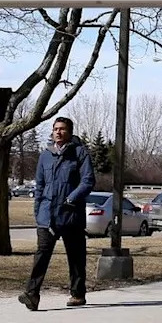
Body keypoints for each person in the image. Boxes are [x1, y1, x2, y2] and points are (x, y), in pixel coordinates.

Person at [19, 117, 95, 312]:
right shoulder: (45, 155)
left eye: (62, 129)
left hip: (71, 215)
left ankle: (77, 293)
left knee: (76, 257)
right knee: (41, 255)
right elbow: (40, 185)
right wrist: (38, 212)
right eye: (55, 129)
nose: (58, 132)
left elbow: (88, 181)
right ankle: (32, 294)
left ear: (69, 132)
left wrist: (71, 199)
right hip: (47, 216)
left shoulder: (79, 153)